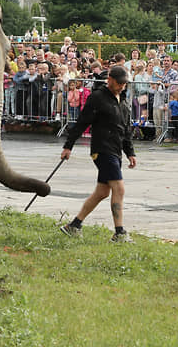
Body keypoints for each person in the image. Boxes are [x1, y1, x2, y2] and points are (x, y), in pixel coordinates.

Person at [58, 66, 137, 243]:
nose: (122, 87)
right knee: (119, 188)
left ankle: (74, 225)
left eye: (124, 84)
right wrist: (68, 146)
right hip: (102, 149)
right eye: (119, 83)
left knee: (102, 192)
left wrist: (130, 152)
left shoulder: (123, 101)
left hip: (115, 150)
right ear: (110, 80)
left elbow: (126, 130)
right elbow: (81, 122)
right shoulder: (97, 98)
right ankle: (119, 233)